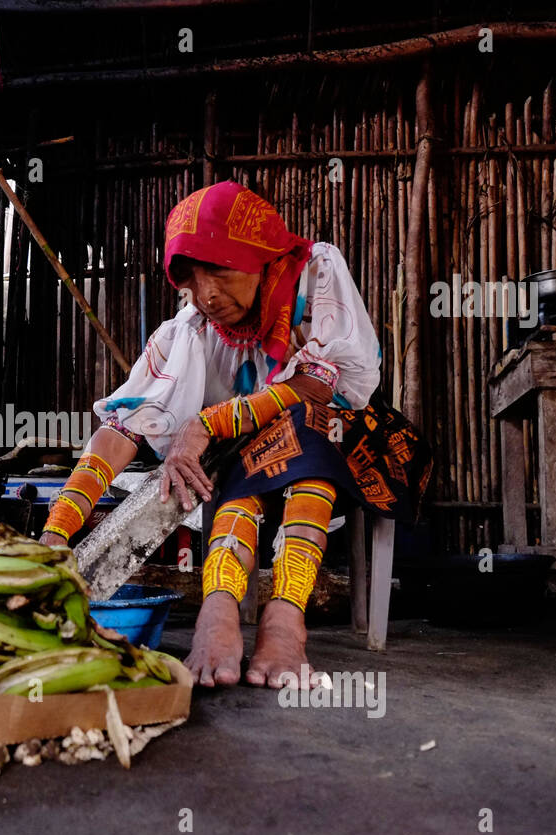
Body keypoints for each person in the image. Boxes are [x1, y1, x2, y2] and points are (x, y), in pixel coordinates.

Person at [38, 180, 431, 689]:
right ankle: (219, 608)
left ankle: (286, 617)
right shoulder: (186, 334)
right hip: (251, 467)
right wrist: (56, 533)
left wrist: (206, 422)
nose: (206, 295)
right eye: (191, 280)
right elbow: (121, 430)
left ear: (261, 254)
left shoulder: (314, 271)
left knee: (302, 426)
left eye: (219, 269)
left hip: (348, 441)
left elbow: (321, 383)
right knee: (236, 463)